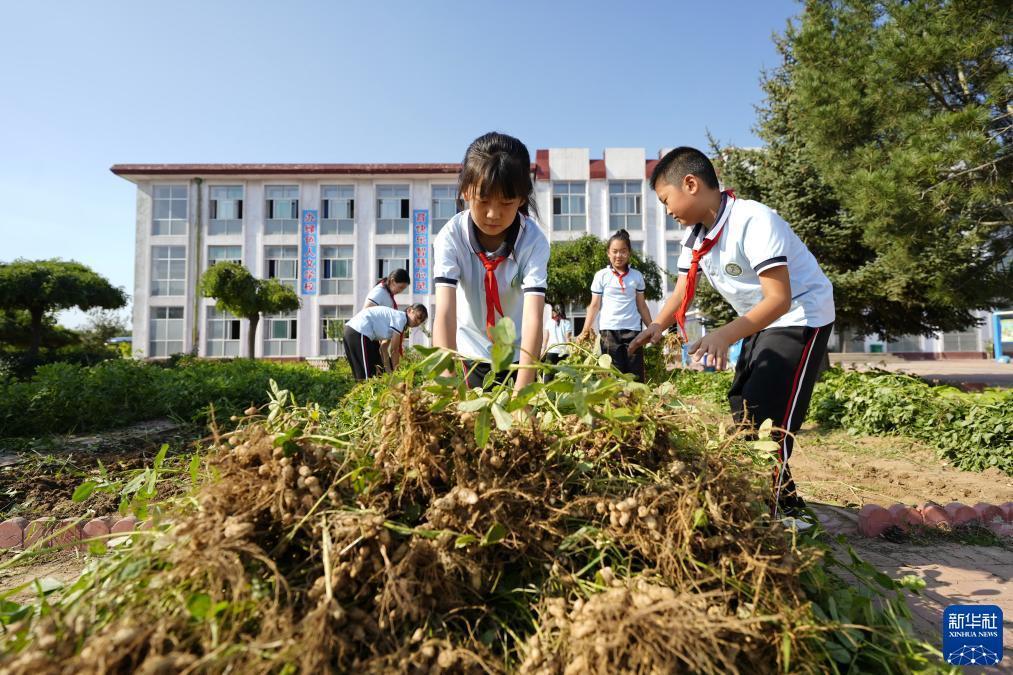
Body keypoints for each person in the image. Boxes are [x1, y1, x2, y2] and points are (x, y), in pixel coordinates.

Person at [629, 147, 835, 518]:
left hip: (801, 314)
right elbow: (682, 290)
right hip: (761, 320)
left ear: (690, 184)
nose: (667, 211)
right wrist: (658, 325)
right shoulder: (696, 238)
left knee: (768, 414)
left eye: (665, 200)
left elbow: (780, 299)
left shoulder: (753, 220)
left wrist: (725, 335)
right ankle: (785, 502)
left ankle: (775, 513)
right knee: (743, 404)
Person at [432, 131, 550, 390]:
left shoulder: (533, 241)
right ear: (465, 190)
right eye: (483, 200)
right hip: (471, 353)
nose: (493, 214)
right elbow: (445, 311)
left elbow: (533, 316)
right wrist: (446, 381)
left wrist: (522, 391)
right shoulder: (451, 237)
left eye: (506, 202)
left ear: (522, 197)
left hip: (520, 355)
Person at [578, 229, 653, 382]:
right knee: (613, 375)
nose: (619, 255)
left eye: (623, 251)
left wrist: (652, 328)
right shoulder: (601, 276)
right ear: (608, 253)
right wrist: (585, 331)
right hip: (609, 332)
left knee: (635, 374)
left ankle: (636, 398)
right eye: (615, 251)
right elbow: (594, 305)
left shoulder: (637, 276)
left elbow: (642, 306)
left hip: (633, 331)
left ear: (629, 253)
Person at [343, 304, 428, 381]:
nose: (418, 322)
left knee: (362, 373)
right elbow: (394, 350)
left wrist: (389, 372)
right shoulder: (401, 318)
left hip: (351, 330)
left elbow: (383, 348)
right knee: (366, 377)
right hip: (359, 330)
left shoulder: (394, 319)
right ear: (409, 310)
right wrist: (397, 374)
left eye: (421, 321)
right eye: (418, 317)